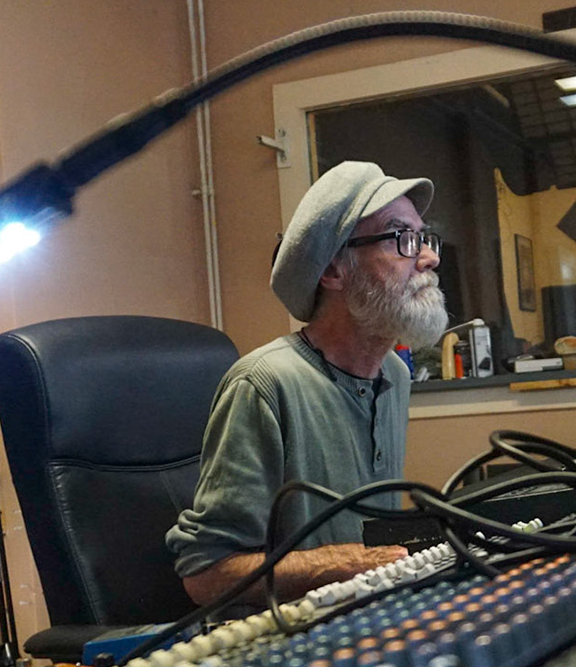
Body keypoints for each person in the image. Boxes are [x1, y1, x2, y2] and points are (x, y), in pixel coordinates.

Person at [166, 160, 450, 606]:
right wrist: (342, 563)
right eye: (401, 238)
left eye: (424, 238)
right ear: (333, 270)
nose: (429, 258)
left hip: (370, 616)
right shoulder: (264, 384)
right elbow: (205, 574)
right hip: (292, 635)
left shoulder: (394, 373)